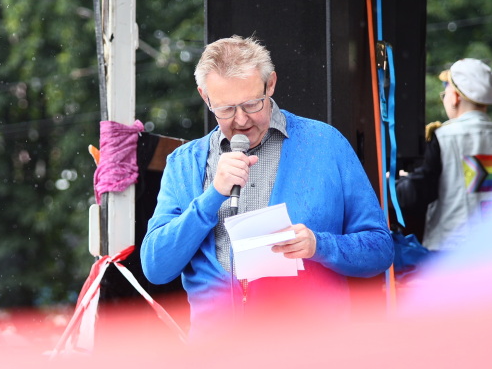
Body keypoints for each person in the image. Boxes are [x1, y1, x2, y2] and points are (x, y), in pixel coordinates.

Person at [140, 35, 392, 337]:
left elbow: (380, 248)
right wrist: (211, 197)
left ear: (270, 84)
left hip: (310, 353)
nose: (241, 120)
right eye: (225, 109)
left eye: (251, 104)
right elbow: (156, 267)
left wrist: (320, 246)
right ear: (205, 97)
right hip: (217, 360)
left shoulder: (325, 144)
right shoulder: (183, 163)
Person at [395, 58, 492, 251]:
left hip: (452, 253)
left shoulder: (443, 137)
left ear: (455, 97)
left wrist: (397, 184)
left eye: (445, 93)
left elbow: (418, 194)